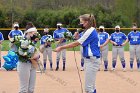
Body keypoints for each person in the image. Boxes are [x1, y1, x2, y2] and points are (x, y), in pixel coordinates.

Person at [54, 14, 100, 93]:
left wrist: (61, 47)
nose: (80, 24)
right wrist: (77, 37)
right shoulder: (88, 30)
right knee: (91, 86)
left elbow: (76, 43)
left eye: (81, 22)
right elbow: (80, 40)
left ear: (86, 22)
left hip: (92, 60)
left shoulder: (90, 31)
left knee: (88, 88)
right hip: (90, 60)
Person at [17, 24, 40, 93]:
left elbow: (36, 52)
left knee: (31, 89)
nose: (35, 34)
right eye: (34, 33)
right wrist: (30, 56)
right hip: (24, 65)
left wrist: (37, 56)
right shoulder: (22, 41)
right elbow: (21, 53)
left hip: (32, 65)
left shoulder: (32, 41)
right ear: (29, 32)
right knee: (24, 89)